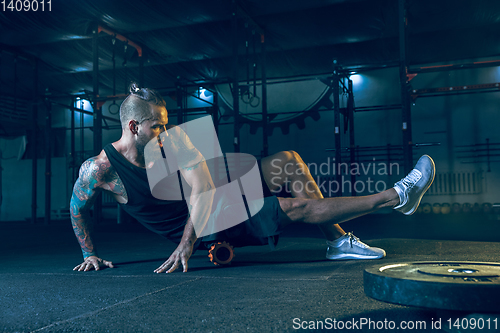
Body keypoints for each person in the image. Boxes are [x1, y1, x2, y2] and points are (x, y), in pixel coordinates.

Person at [70, 84, 435, 274]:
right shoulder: (99, 170)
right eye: (157, 125)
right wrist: (90, 254)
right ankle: (397, 196)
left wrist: (187, 242)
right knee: (296, 208)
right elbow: (76, 209)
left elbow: (201, 189)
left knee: (287, 162)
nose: (166, 130)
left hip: (209, 201)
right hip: (206, 224)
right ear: (134, 127)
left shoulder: (174, 140)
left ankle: (338, 244)